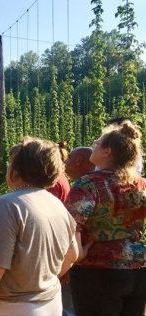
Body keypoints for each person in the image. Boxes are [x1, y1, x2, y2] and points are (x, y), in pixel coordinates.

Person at [0, 137, 78, 316]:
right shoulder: (57, 205)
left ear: (17, 170)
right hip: (50, 302)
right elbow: (72, 255)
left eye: (10, 162)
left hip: (11, 307)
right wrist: (41, 280)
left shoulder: (8, 205)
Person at [65, 121, 146, 316]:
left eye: (97, 143)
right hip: (139, 270)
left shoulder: (88, 184)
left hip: (98, 272)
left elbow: (69, 225)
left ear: (107, 152)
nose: (93, 145)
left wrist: (77, 255)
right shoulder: (141, 184)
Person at [60, 146, 95, 316]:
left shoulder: (84, 187)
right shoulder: (132, 182)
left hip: (86, 264)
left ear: (79, 161)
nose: (65, 163)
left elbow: (71, 227)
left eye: (68, 159)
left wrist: (67, 264)